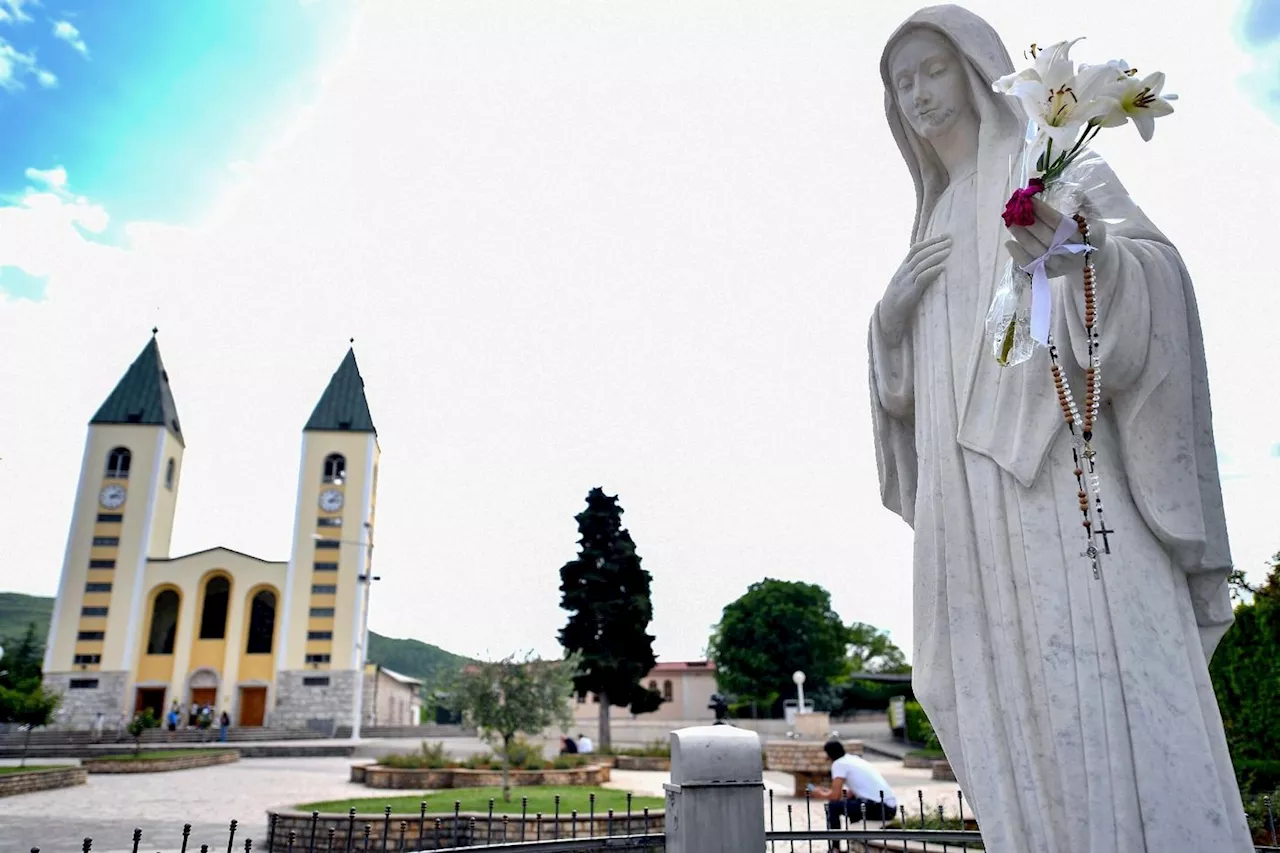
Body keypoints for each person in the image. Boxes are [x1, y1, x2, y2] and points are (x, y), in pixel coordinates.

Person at [869, 7, 1249, 852]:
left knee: (1095, 675)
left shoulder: (1052, 169)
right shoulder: (929, 222)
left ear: (977, 70)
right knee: (968, 679)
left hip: (1060, 485)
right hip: (965, 509)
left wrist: (1087, 255)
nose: (920, 94)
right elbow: (907, 394)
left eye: (933, 70)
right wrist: (888, 322)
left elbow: (1153, 275)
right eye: (903, 83)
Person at [813, 740, 897, 840]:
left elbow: (835, 796)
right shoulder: (853, 759)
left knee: (833, 807)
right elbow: (849, 793)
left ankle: (835, 848)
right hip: (889, 808)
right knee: (851, 802)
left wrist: (820, 794)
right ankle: (855, 837)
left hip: (880, 809)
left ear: (829, 755)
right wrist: (828, 792)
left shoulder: (839, 764)